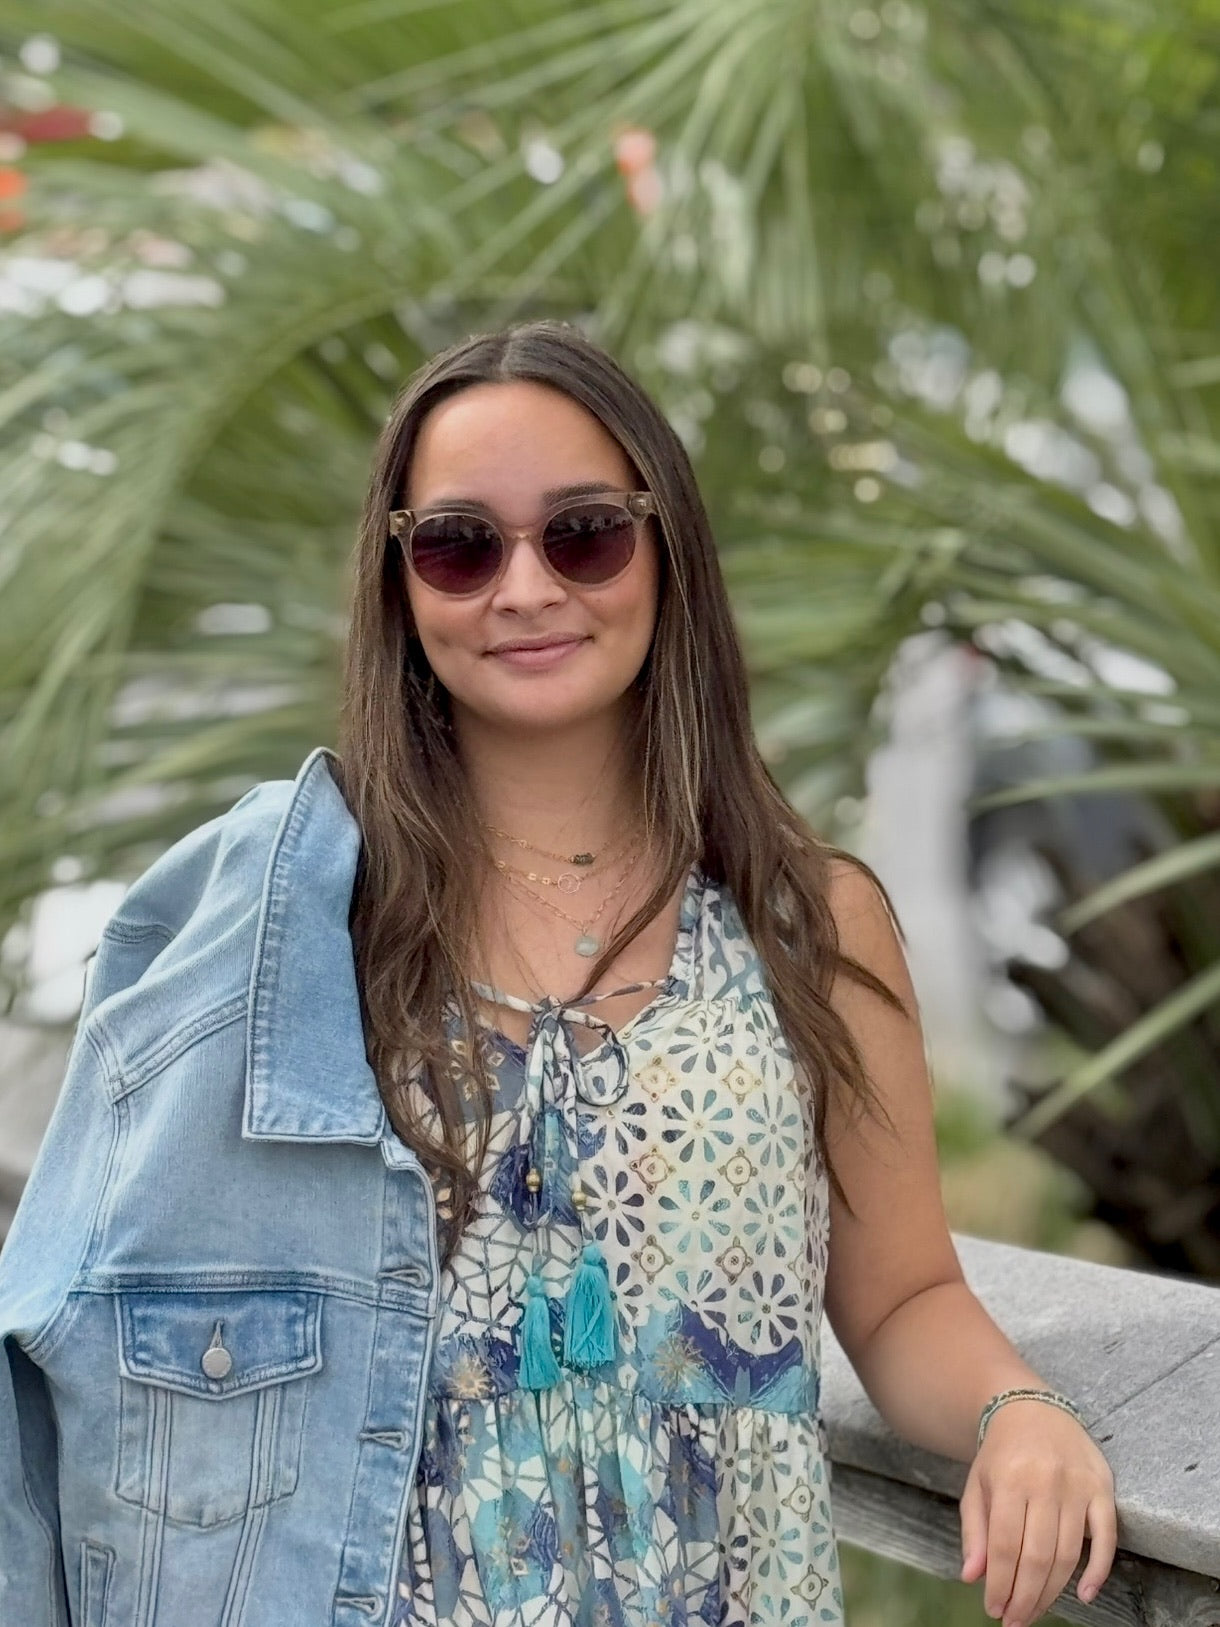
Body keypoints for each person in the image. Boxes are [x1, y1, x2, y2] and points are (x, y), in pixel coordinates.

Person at [0, 318, 1116, 1627]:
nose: (524, 588)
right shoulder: (289, 919)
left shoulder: (810, 922)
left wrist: (1019, 1412)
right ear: (402, 584)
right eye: (461, 546)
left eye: (583, 533)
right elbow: (75, 1324)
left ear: (666, 550)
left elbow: (905, 1294)